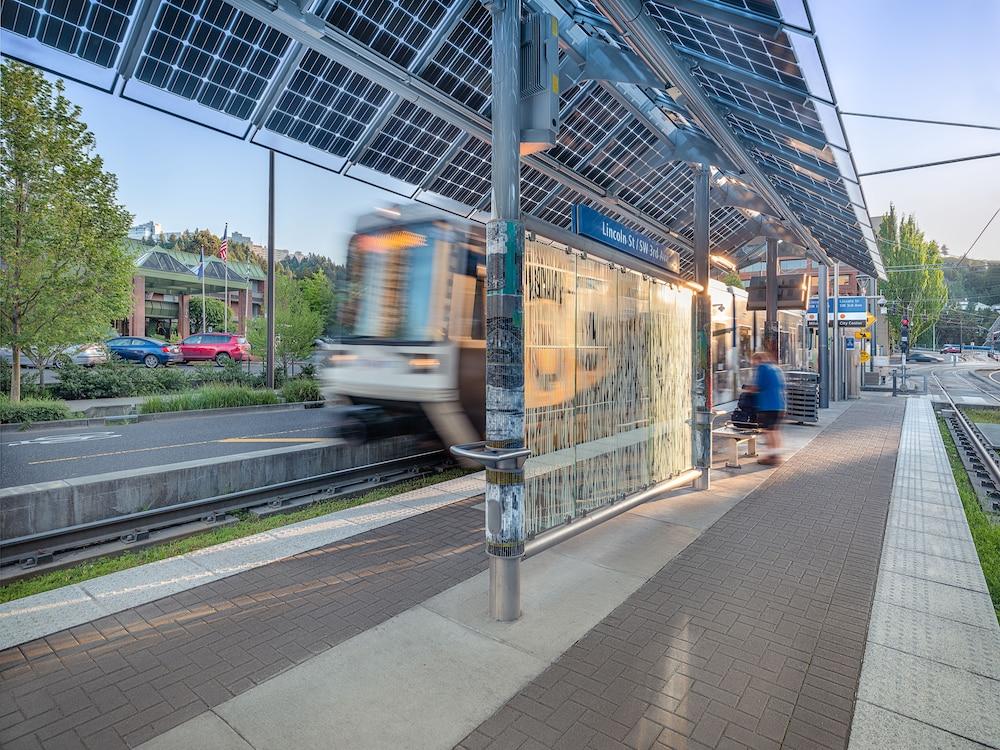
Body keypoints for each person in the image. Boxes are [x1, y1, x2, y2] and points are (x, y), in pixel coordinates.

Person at [749, 351, 785, 465]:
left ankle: (771, 456)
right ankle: (776, 455)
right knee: (774, 431)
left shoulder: (762, 368)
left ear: (758, 360)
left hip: (768, 405)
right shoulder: (776, 368)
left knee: (768, 431)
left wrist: (748, 390)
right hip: (780, 404)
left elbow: (758, 386)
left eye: (753, 361)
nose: (753, 364)